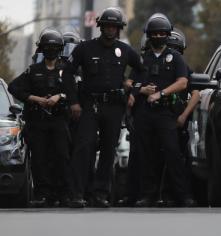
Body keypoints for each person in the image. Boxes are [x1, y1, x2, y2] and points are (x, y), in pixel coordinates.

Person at [64, 7, 144, 208]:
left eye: (114, 27)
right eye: (107, 26)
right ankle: (77, 194)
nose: (110, 30)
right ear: (100, 27)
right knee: (84, 147)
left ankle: (100, 194)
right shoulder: (85, 48)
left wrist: (132, 88)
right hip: (90, 105)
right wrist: (73, 101)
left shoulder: (125, 50)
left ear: (119, 29)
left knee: (109, 150)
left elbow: (143, 69)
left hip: (114, 107)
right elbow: (67, 73)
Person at [130, 14, 193, 207]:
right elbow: (129, 81)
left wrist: (161, 94)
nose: (158, 36)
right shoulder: (142, 59)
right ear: (148, 36)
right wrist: (140, 90)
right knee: (146, 155)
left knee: (172, 153)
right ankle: (148, 195)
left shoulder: (175, 58)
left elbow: (183, 82)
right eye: (154, 33)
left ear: (167, 35)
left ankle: (181, 195)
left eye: (162, 33)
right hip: (144, 113)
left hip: (166, 113)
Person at [8, 29, 74, 207]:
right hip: (38, 121)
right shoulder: (33, 70)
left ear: (60, 49)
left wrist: (59, 97)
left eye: (55, 47)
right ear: (42, 49)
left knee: (62, 156)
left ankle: (64, 194)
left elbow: (75, 92)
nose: (51, 50)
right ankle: (43, 194)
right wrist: (35, 99)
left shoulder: (67, 70)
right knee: (39, 158)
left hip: (59, 120)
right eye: (47, 47)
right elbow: (14, 87)